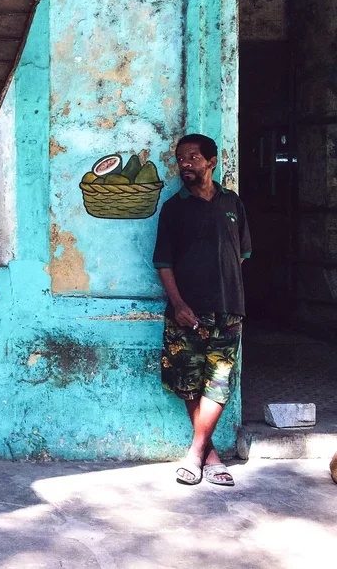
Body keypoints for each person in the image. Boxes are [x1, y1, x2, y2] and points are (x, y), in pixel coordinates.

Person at [153, 134, 250, 487]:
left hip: (229, 311)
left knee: (219, 384)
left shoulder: (232, 203)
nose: (185, 164)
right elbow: (163, 263)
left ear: (212, 161)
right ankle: (210, 457)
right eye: (181, 159)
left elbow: (240, 255)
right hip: (187, 313)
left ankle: (196, 454)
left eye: (193, 158)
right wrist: (179, 304)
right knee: (189, 382)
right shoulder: (174, 208)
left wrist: (222, 290)